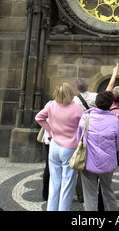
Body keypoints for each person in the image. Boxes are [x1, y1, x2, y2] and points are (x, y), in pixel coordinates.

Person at [73, 66, 119, 202]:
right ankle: (105, 201)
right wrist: (114, 74)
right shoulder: (95, 98)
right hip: (103, 140)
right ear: (87, 85)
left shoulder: (75, 102)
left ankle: (81, 194)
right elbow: (108, 92)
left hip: (86, 138)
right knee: (106, 185)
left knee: (84, 170)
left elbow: (79, 134)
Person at [35, 83, 83, 211]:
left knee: (54, 183)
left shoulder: (52, 106)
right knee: (67, 185)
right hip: (69, 148)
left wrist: (50, 131)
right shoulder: (77, 109)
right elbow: (83, 129)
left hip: (54, 147)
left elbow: (39, 117)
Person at [78, 90, 119, 211]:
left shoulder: (86, 117)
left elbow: (79, 139)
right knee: (108, 191)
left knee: (90, 195)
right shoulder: (114, 120)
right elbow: (117, 142)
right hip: (107, 161)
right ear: (110, 104)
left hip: (88, 161)